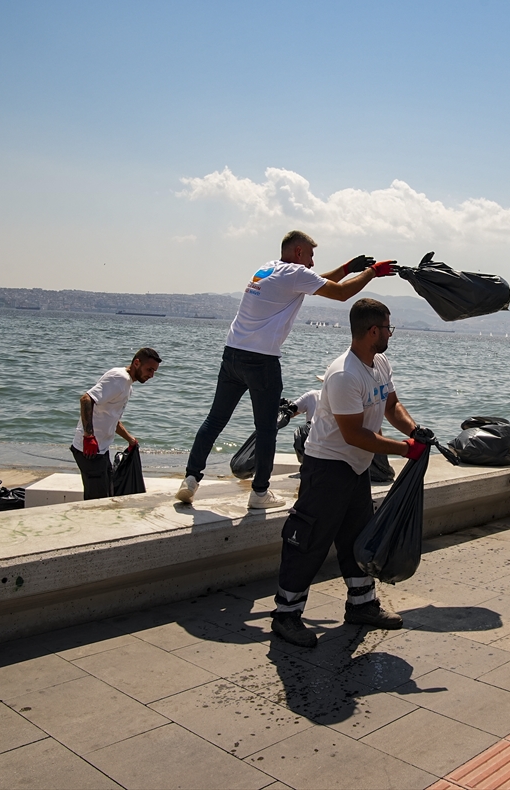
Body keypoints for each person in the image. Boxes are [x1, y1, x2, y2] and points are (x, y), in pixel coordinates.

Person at [176, 231, 396, 509]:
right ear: (299, 252)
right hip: (262, 361)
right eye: (311, 255)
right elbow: (340, 294)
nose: (313, 263)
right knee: (266, 428)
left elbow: (314, 281)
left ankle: (191, 479)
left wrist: (347, 268)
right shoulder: (294, 273)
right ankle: (259, 494)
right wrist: (372, 272)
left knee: (214, 420)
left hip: (232, 354)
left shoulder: (266, 269)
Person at [270, 298, 433, 648]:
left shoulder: (379, 363)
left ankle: (362, 605)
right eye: (388, 328)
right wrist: (405, 450)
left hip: (355, 467)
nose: (391, 333)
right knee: (308, 541)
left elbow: (391, 405)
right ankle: (286, 616)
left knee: (357, 538)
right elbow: (354, 434)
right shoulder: (345, 374)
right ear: (373, 331)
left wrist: (413, 431)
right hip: (327, 466)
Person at [71, 348, 162, 500]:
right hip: (88, 450)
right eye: (149, 369)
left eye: (154, 371)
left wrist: (130, 439)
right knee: (97, 502)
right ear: (137, 363)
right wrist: (88, 437)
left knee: (107, 495)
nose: (151, 375)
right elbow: (86, 399)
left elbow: (112, 419)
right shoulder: (118, 378)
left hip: (101, 449)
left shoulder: (127, 386)